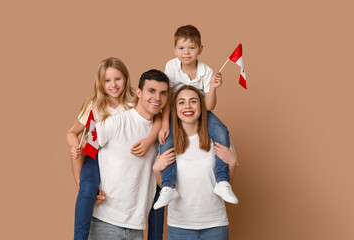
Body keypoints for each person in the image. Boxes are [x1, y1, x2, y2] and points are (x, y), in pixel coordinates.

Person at [66, 58, 163, 240]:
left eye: (117, 79)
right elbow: (74, 134)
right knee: (86, 190)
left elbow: (159, 117)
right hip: (95, 155)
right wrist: (75, 147)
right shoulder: (95, 105)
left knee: (158, 191)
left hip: (133, 166)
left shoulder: (136, 100)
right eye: (107, 81)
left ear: (126, 79)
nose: (113, 85)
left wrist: (149, 141)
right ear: (100, 84)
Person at [154, 25, 238, 209]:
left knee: (222, 132)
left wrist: (213, 88)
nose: (186, 53)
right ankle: (168, 186)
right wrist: (164, 124)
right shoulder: (171, 66)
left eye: (191, 48)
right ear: (175, 49)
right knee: (167, 142)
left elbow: (209, 106)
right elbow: (167, 98)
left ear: (200, 49)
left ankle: (222, 181)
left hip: (199, 112)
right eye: (182, 48)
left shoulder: (206, 71)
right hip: (177, 112)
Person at [88, 69, 169, 240]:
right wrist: (86, 189)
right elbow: (83, 152)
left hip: (137, 226)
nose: (157, 98)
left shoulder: (162, 132)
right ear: (138, 92)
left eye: (163, 93)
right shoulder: (115, 122)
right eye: (151, 91)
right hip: (105, 221)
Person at [153, 86, 238, 240]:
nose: (187, 106)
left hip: (215, 224)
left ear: (201, 106)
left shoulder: (218, 139)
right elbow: (164, 186)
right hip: (179, 226)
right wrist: (156, 170)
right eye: (181, 102)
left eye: (193, 101)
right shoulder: (167, 142)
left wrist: (232, 162)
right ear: (175, 109)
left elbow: (226, 182)